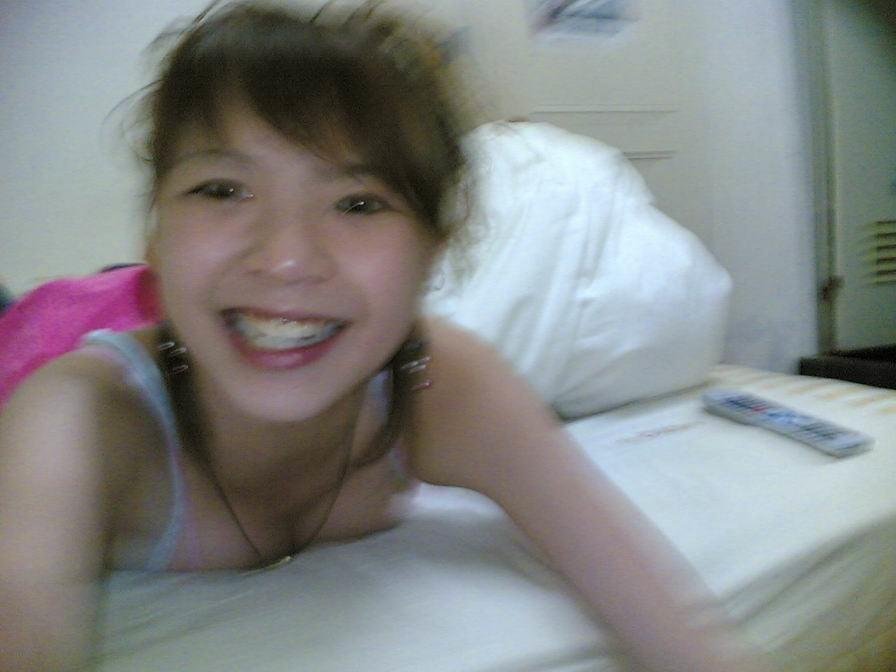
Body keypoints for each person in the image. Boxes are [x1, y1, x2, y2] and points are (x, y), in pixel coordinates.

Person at [0, 2, 773, 671]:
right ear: (155, 233)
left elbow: (669, 623)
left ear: (435, 250)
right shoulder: (77, 420)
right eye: (222, 189)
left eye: (359, 203)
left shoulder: (439, 386)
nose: (286, 257)